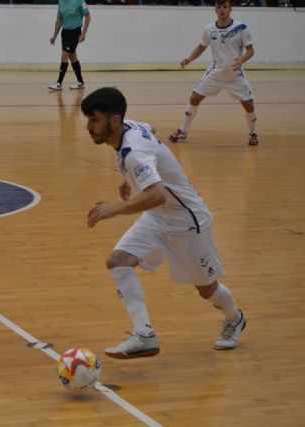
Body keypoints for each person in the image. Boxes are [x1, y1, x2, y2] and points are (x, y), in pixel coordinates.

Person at [82, 87, 246, 359]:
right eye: (88, 120)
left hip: (188, 223)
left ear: (115, 120)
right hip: (157, 218)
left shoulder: (134, 153)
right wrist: (130, 178)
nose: (88, 127)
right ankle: (144, 335)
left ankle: (235, 318)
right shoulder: (131, 127)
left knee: (207, 290)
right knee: (118, 262)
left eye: (94, 120)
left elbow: (158, 195)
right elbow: (151, 130)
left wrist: (115, 209)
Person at [168, 0, 258, 146]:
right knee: (194, 98)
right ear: (215, 9)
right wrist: (189, 59)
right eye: (219, 7)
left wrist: (241, 60)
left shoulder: (241, 28)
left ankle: (252, 134)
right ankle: (182, 131)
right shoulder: (209, 29)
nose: (222, 10)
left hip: (235, 75)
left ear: (230, 9)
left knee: (249, 106)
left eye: (225, 7)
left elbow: (250, 51)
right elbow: (201, 47)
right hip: (215, 74)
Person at [48, 0, 91, 91]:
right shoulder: (61, 2)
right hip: (65, 33)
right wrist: (54, 35)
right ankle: (80, 82)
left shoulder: (80, 1)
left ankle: (59, 83)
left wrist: (83, 33)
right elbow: (59, 19)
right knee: (72, 56)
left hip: (75, 32)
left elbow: (88, 17)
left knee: (65, 55)